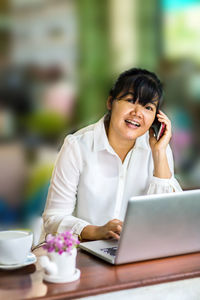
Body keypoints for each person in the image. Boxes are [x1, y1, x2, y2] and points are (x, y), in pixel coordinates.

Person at [42, 68, 182, 241]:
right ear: (110, 102)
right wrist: (96, 231)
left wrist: (159, 154)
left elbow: (168, 221)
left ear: (156, 116)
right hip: (82, 253)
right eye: (130, 100)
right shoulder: (77, 146)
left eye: (148, 107)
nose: (137, 113)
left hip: (137, 250)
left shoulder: (158, 148)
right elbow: (53, 218)